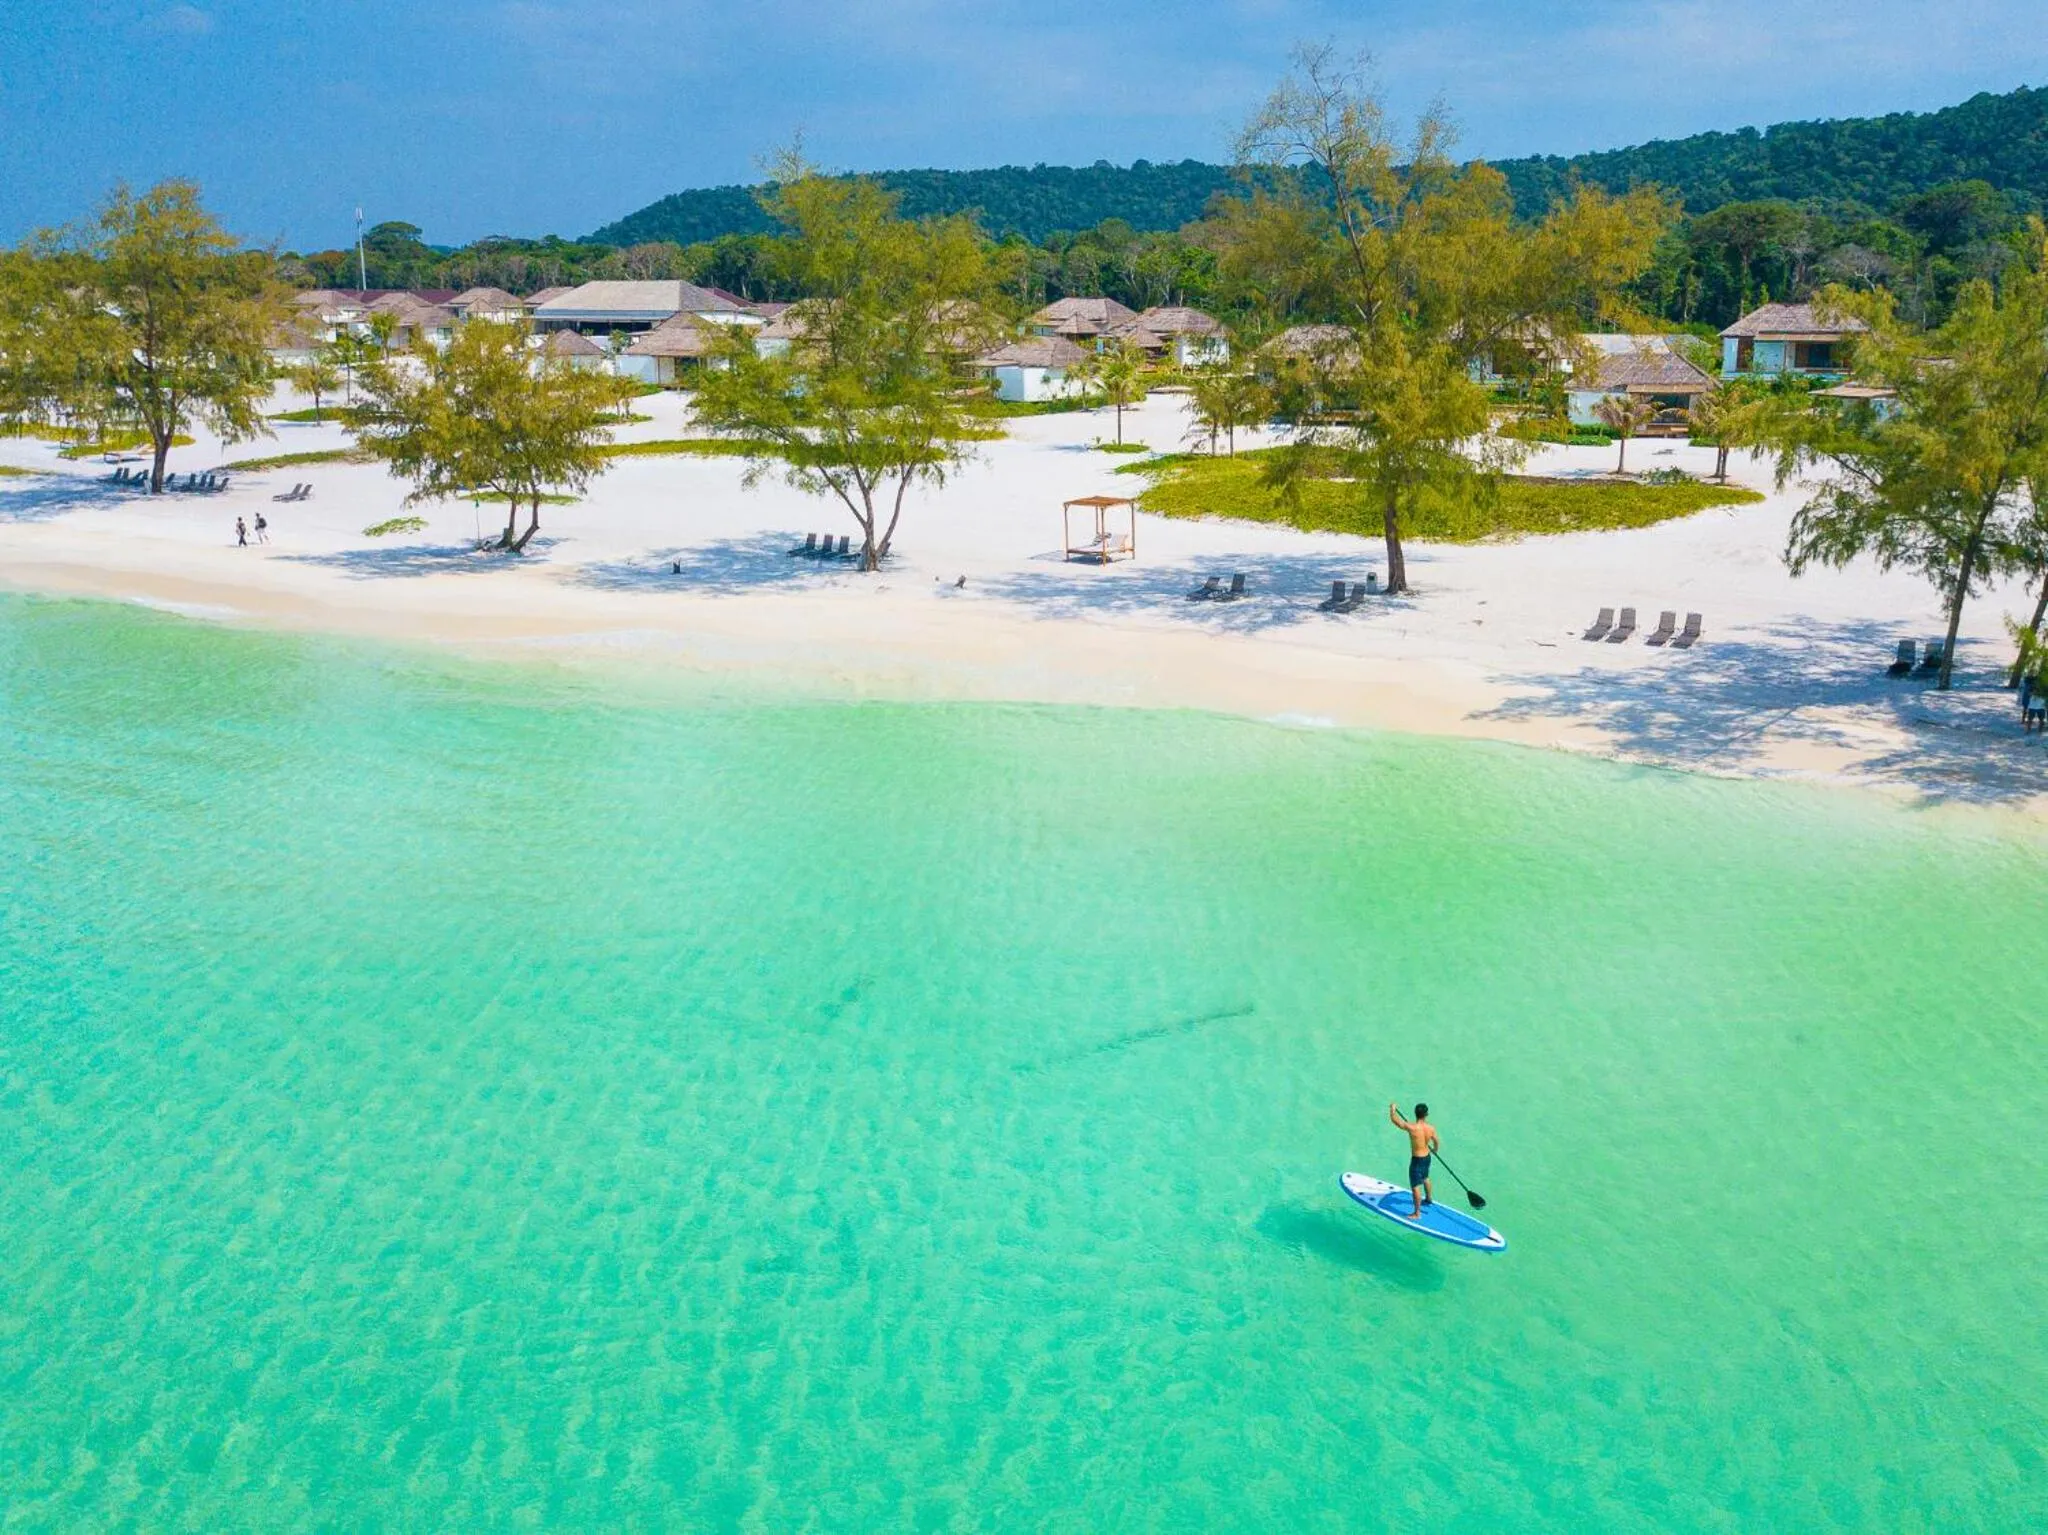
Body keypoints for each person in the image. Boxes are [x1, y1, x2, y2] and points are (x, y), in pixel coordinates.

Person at [1389, 1101, 1438, 1218]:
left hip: (1417, 1161)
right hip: (1427, 1157)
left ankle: (1417, 1213)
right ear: (1426, 1114)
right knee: (1425, 1177)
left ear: (1415, 1113)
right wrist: (1435, 1150)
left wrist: (1393, 1110)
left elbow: (1395, 1121)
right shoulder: (1431, 1128)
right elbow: (1436, 1140)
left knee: (1415, 1186)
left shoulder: (1411, 1127)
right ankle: (1429, 1199)